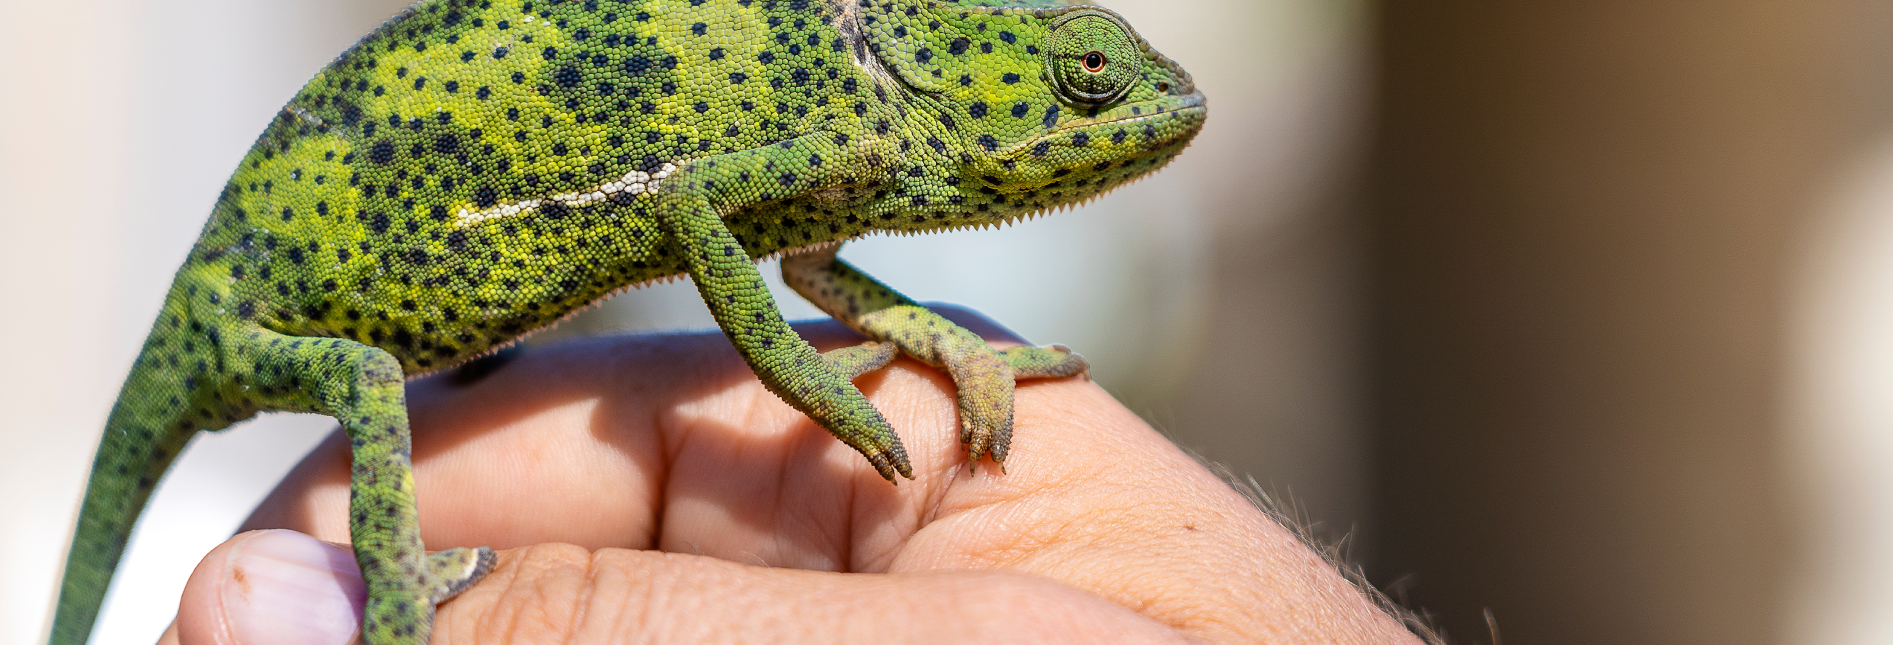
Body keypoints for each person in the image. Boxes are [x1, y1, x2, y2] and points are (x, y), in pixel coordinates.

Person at [161, 308, 1430, 644]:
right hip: (279, 281)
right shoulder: (834, 106)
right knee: (376, 384)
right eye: (1077, 84)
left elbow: (816, 263)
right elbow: (710, 212)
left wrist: (931, 338)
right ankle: (391, 600)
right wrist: (806, 382)